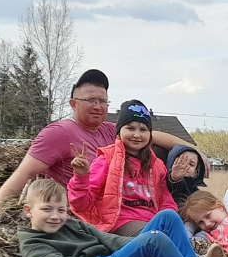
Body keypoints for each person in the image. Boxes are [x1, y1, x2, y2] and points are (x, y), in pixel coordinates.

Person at [0, 70, 203, 209]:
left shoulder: (111, 130)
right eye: (90, 100)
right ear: (73, 104)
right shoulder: (58, 133)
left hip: (119, 205)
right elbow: (25, 172)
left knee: (160, 155)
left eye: (102, 101)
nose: (98, 106)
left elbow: (153, 135)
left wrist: (195, 150)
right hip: (81, 208)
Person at [17, 179, 218, 257]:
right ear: (28, 210)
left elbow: (107, 238)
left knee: (168, 216)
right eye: (47, 209)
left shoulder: (72, 224)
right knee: (155, 239)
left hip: (114, 256)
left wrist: (138, 244)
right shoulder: (33, 244)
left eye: (61, 210)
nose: (55, 216)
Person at [68, 100, 179, 237]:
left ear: (150, 135)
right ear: (119, 132)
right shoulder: (106, 159)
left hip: (152, 222)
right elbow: (81, 204)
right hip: (121, 223)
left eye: (143, 129)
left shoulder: (156, 165)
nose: (137, 135)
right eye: (130, 128)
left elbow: (166, 201)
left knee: (172, 219)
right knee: (158, 236)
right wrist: (81, 176)